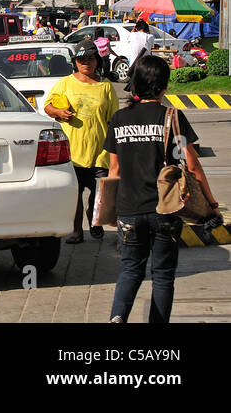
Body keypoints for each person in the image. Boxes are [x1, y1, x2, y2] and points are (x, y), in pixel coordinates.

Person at [105, 54, 219, 323]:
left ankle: (118, 317)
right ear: (164, 85)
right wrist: (211, 204)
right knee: (163, 274)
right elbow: (191, 166)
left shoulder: (120, 119)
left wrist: (109, 212)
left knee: (130, 269)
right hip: (165, 210)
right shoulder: (172, 118)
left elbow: (114, 171)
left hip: (129, 210)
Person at [43, 43, 117, 243]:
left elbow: (113, 120)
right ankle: (76, 231)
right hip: (72, 153)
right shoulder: (65, 84)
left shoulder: (106, 87)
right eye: (82, 59)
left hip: (99, 152)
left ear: (97, 61)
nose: (86, 63)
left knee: (99, 192)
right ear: (75, 62)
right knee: (74, 195)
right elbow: (48, 106)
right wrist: (58, 113)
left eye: (90, 59)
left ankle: (94, 220)